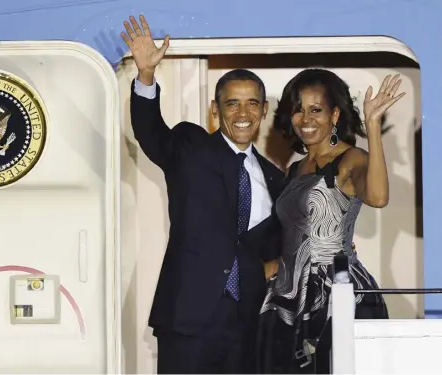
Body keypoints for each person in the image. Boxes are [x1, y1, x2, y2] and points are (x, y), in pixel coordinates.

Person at [121, 15, 284, 374]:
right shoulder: (190, 146)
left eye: (252, 103)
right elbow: (151, 133)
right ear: (215, 110)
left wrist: (277, 264)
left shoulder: (275, 177)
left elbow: (279, 242)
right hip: (188, 318)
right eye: (232, 104)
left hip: (248, 322)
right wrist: (145, 76)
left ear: (263, 111)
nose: (243, 113)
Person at [257, 68, 404, 374]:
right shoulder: (295, 168)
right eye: (298, 110)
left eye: (316, 110)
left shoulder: (351, 159)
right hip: (287, 297)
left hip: (335, 292)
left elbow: (377, 197)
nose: (306, 120)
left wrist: (373, 126)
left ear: (335, 115)